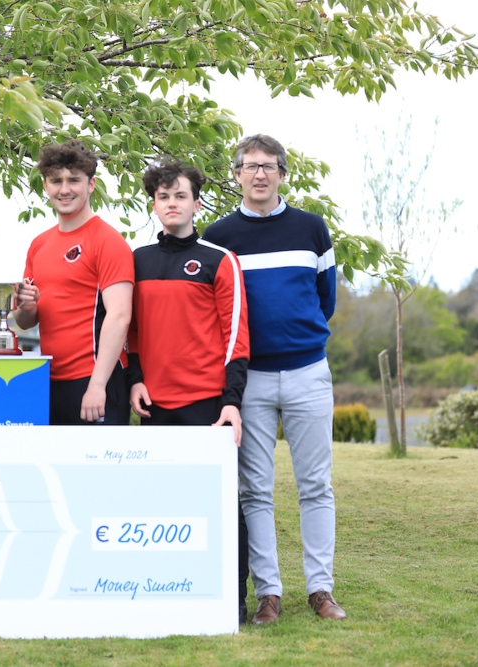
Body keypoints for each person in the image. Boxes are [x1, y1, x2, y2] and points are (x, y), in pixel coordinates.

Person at [202, 134, 345, 623]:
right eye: (249, 165)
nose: (259, 174)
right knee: (254, 489)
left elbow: (325, 299)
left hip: (308, 371)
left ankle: (321, 590)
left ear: (282, 173)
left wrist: (298, 337)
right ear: (237, 174)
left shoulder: (312, 229)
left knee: (315, 486)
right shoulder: (218, 236)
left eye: (268, 165)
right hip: (251, 378)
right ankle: (269, 594)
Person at [127, 159, 252, 624]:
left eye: (180, 195)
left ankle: (231, 600)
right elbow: (130, 331)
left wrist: (231, 403)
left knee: (220, 504)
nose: (172, 203)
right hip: (155, 404)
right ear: (154, 205)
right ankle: (171, 592)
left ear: (196, 203)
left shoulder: (220, 260)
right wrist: (135, 378)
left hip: (207, 404)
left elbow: (236, 335)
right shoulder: (136, 261)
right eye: (163, 196)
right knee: (162, 504)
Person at [15, 140, 134, 425]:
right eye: (56, 181)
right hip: (49, 380)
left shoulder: (108, 240)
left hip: (95, 381)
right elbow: (25, 321)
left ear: (91, 185)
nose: (64, 189)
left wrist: (97, 385)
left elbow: (119, 317)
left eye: (74, 180)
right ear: (45, 186)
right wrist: (26, 305)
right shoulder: (39, 244)